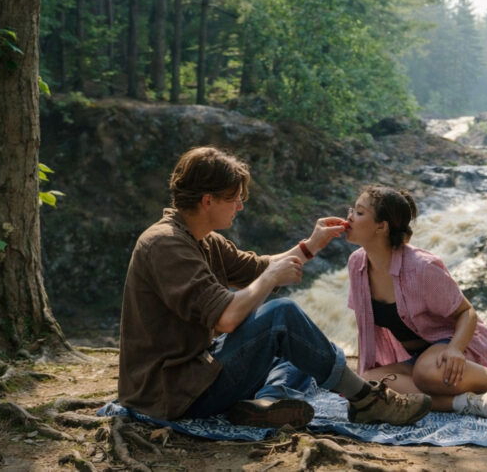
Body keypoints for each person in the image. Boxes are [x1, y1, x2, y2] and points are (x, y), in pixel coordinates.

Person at [117, 147, 432, 429]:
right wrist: (270, 281)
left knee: (309, 348)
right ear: (207, 200)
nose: (240, 206)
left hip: (194, 373)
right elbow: (226, 318)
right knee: (283, 316)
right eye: (234, 198)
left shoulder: (202, 238)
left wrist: (311, 245)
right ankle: (368, 401)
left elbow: (255, 267)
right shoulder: (166, 245)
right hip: (171, 393)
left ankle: (266, 402)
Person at [344, 185, 487, 419]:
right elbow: (365, 327)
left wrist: (455, 348)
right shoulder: (357, 264)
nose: (349, 217)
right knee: (364, 382)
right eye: (352, 210)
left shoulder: (421, 267)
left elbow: (467, 312)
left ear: (381, 227)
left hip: (460, 352)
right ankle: (464, 403)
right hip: (416, 361)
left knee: (426, 372)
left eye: (359, 212)